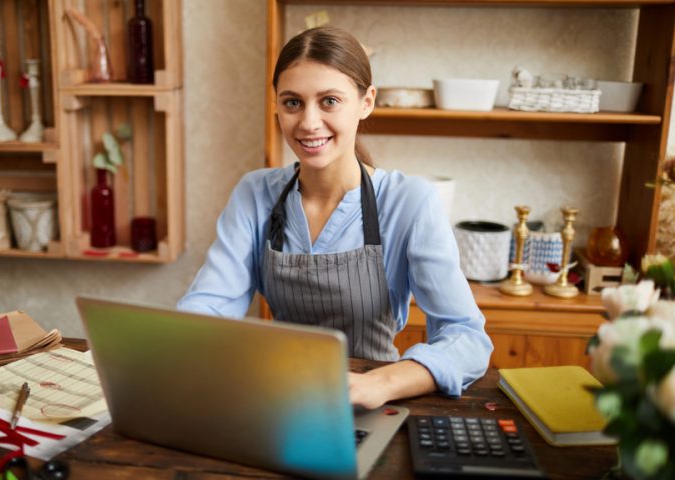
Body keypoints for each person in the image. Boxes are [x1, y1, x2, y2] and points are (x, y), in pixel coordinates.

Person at [178, 26, 492, 409]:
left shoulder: (409, 202)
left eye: (329, 101)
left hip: (370, 406)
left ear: (366, 102)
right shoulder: (256, 194)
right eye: (292, 103)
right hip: (281, 399)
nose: (309, 122)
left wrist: (381, 384)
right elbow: (208, 307)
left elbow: (467, 338)